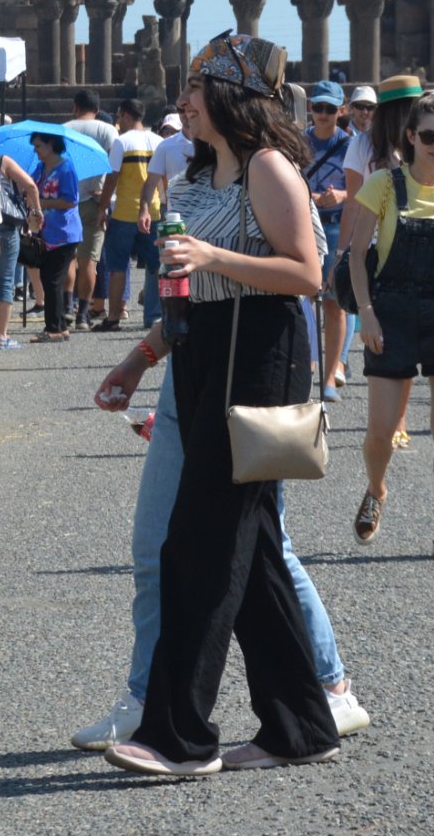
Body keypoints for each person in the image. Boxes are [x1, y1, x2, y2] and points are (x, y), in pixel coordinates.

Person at [74, 90, 369, 755]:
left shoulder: (268, 166)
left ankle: (179, 736)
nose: (183, 101)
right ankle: (301, 726)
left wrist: (213, 256)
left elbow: (305, 272)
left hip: (259, 355)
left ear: (235, 98)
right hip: (202, 351)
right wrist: (138, 357)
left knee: (200, 544)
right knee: (255, 551)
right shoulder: (196, 176)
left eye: (198, 89)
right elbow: (188, 289)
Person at [341, 92, 434, 557]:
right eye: (429, 136)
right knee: (380, 431)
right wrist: (365, 312)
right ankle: (377, 488)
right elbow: (356, 258)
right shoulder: (384, 184)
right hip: (392, 310)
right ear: (410, 136)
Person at [337, 76, 424, 402]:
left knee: (405, 337)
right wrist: (343, 251)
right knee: (383, 334)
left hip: (414, 247)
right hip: (375, 250)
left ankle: (395, 415)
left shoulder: (425, 141)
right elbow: (353, 202)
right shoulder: (362, 145)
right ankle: (388, 415)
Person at [302, 80, 353, 390]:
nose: (323, 114)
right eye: (318, 107)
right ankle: (308, 363)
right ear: (310, 108)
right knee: (304, 297)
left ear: (341, 111)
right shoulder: (297, 141)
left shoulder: (352, 145)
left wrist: (343, 195)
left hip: (335, 225)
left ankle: (331, 374)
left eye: (329, 109)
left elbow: (363, 189)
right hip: (304, 225)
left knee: (334, 302)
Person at [97, 99, 163, 331]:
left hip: (124, 212)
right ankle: (153, 316)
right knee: (155, 266)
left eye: (118, 115)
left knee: (117, 266)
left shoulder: (121, 142)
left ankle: (113, 316)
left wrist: (103, 207)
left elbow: (112, 178)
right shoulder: (158, 141)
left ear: (126, 115)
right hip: (152, 211)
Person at [66, 90, 121, 329]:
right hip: (95, 198)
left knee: (68, 257)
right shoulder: (108, 130)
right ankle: (83, 314)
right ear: (97, 110)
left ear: (75, 107)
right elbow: (114, 169)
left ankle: (67, 308)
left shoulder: (65, 128)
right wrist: (107, 200)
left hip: (67, 199)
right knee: (90, 261)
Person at [0, 152, 45, 348]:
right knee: (4, 280)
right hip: (6, 222)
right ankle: (1, 336)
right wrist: (36, 213)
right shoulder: (1, 160)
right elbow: (30, 186)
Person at [31, 130, 83, 342]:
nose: (36, 151)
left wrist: (43, 203)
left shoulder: (66, 168)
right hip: (46, 231)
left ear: (51, 144)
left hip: (64, 231)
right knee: (49, 277)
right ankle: (59, 325)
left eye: (39, 146)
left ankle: (54, 327)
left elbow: (71, 200)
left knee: (52, 279)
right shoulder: (41, 168)